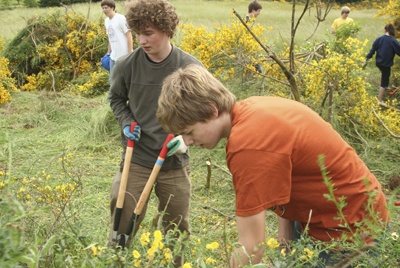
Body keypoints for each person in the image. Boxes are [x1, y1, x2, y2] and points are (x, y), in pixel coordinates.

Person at [156, 64, 390, 267]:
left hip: (350, 230)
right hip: (323, 215)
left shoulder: (249, 144)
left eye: (189, 132)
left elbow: (251, 247)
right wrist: (284, 247)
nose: (187, 142)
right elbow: (285, 190)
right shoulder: (252, 109)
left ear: (211, 110)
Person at [107, 0, 203, 266]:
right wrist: (126, 121)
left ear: (167, 30)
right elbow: (116, 98)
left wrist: (187, 139)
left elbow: (208, 111)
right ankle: (116, 261)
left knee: (177, 226)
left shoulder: (191, 67)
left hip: (173, 162)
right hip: (136, 159)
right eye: (137, 32)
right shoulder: (127, 65)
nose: (141, 40)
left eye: (148, 33)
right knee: (121, 213)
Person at [364, 23, 400, 103]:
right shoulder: (393, 41)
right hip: (386, 63)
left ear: (385, 30)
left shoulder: (379, 39)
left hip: (379, 62)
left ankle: (385, 88)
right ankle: (379, 100)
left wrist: (367, 58)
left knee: (386, 75)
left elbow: (372, 50)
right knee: (384, 79)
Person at [101, 0, 133, 77]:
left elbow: (129, 35)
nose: (104, 10)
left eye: (106, 8)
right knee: (113, 82)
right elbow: (110, 37)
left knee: (125, 80)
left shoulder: (120, 18)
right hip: (113, 57)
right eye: (103, 8)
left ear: (112, 8)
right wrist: (108, 52)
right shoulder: (106, 21)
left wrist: (129, 54)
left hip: (124, 56)